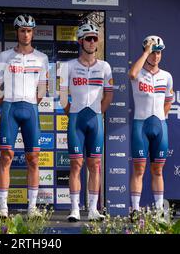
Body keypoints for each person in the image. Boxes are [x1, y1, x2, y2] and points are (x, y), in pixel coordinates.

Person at [0, 14, 49, 218]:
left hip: (31, 109)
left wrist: (32, 101)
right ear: (16, 32)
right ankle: (4, 208)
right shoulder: (4, 56)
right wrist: (6, 102)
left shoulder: (42, 58)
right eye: (23, 30)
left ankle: (32, 208)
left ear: (33, 32)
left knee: (33, 158)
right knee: (6, 157)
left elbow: (42, 88)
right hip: (10, 108)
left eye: (29, 30)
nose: (26, 34)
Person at [59, 23, 113, 222]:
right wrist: (72, 114)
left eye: (95, 38)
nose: (92, 42)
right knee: (75, 164)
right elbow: (62, 95)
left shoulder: (104, 66)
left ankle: (92, 209)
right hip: (76, 119)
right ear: (80, 41)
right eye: (88, 38)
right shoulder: (69, 66)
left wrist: (98, 113)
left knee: (95, 164)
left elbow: (108, 95)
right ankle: (74, 209)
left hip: (95, 118)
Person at [128, 35, 174, 221]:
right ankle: (135, 209)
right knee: (139, 170)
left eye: (159, 52)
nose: (156, 56)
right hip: (141, 125)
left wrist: (161, 117)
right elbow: (131, 74)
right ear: (147, 53)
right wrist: (146, 51)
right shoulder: (138, 73)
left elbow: (169, 101)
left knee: (158, 170)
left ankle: (158, 209)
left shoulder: (167, 76)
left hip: (160, 126)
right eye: (154, 52)